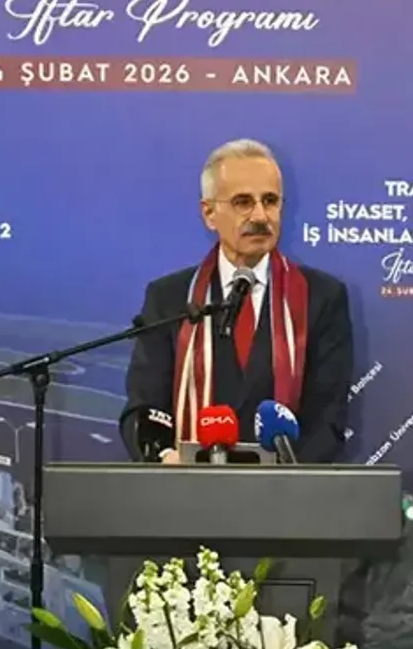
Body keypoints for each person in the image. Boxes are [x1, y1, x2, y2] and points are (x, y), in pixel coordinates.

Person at [120, 139, 354, 465]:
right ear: (209, 213)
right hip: (187, 488)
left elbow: (328, 417)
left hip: (287, 489)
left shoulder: (322, 297)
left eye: (270, 201)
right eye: (243, 202)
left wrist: (283, 480)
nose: (260, 215)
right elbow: (145, 408)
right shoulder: (169, 299)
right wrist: (164, 458)